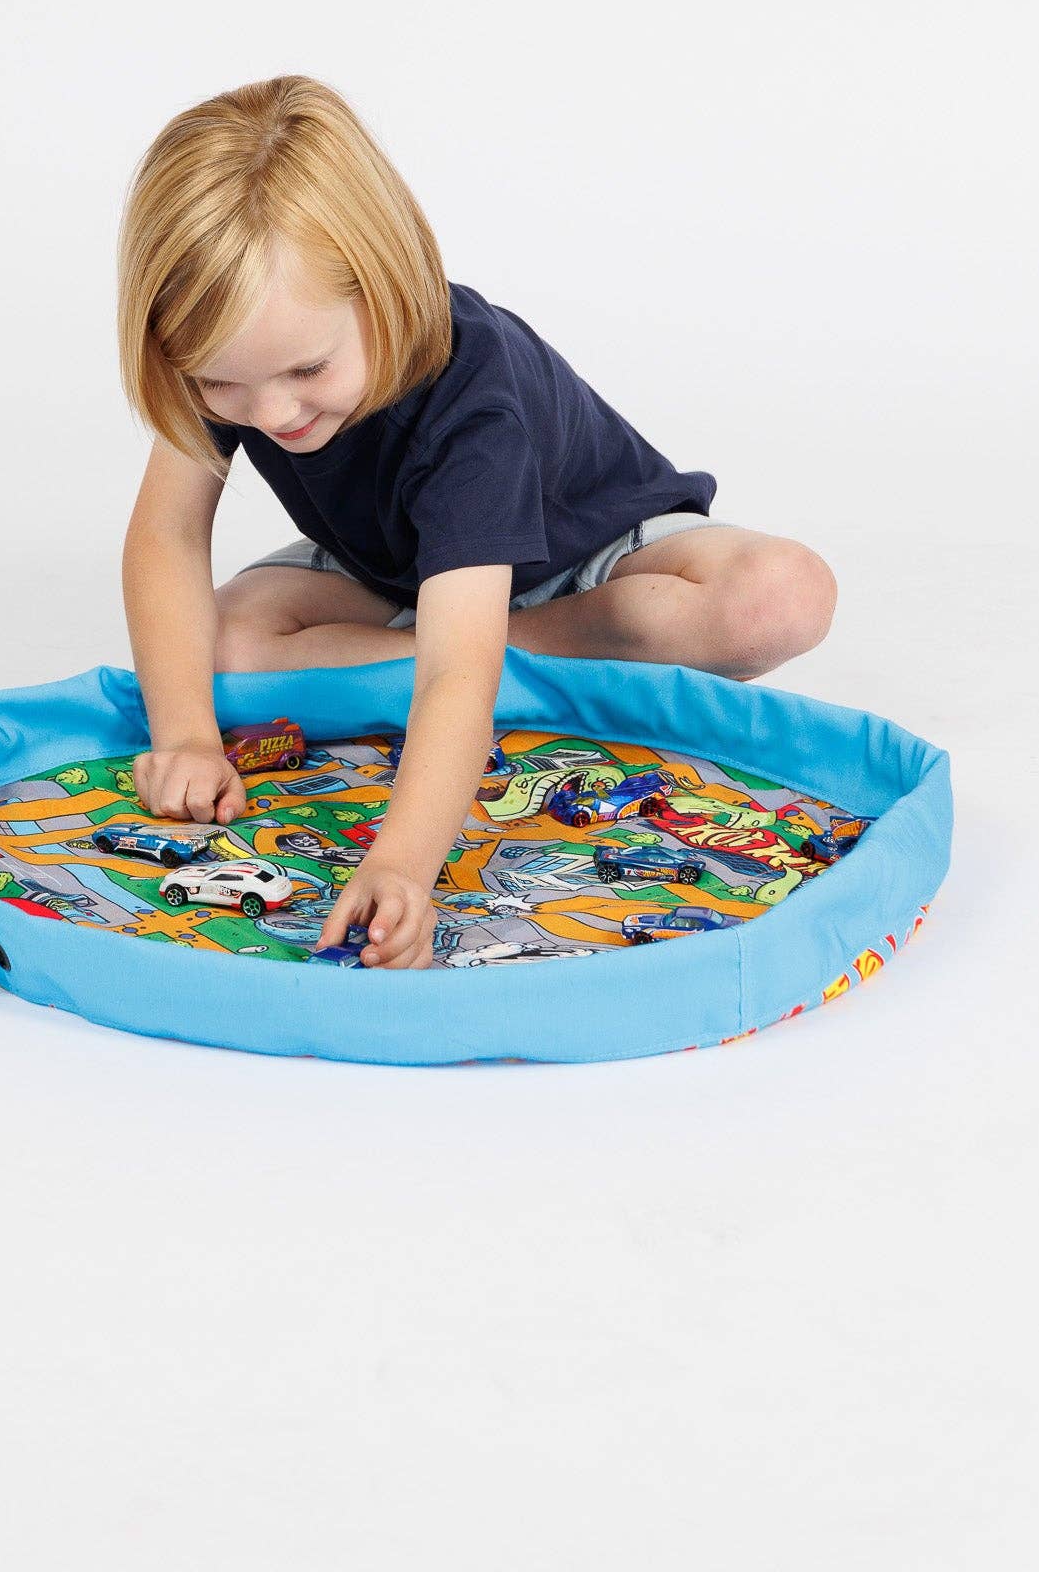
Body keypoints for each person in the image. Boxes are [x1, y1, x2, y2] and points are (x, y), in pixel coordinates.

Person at [117, 75, 837, 971]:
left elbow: (458, 672)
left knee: (778, 598)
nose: (270, 413)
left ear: (384, 288)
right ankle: (504, 654)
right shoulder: (241, 348)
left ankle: (503, 646)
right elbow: (167, 536)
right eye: (221, 384)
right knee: (213, 652)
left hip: (594, 562)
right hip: (401, 576)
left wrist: (402, 865)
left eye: (308, 371)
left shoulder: (474, 401)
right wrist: (184, 735)